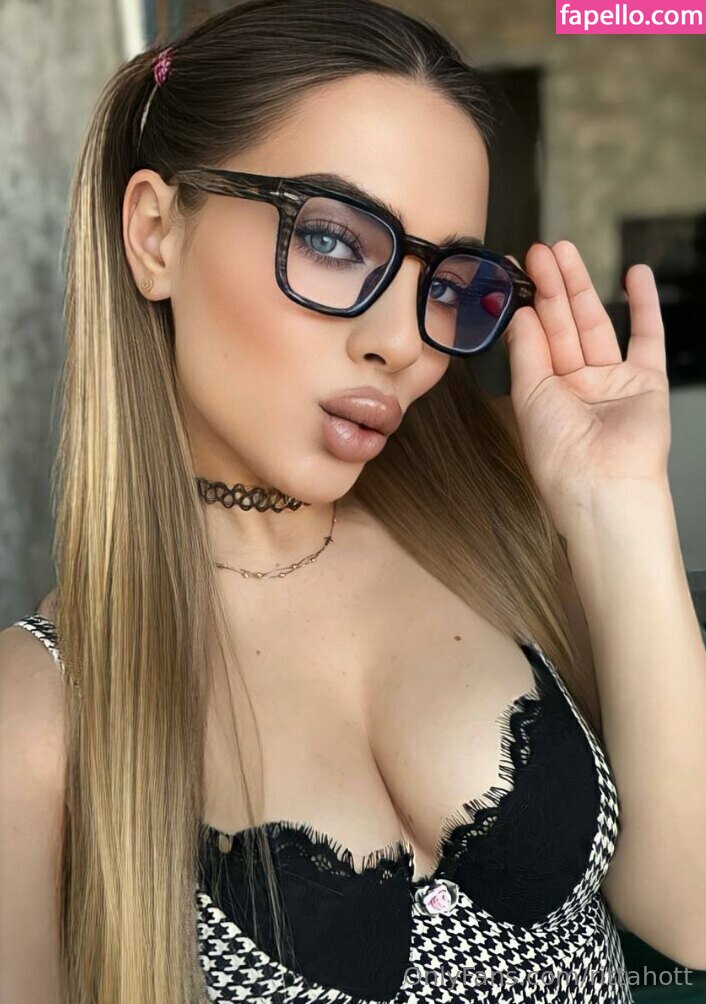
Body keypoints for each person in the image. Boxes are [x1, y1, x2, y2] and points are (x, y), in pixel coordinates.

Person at [3, 0, 704, 1002]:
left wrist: (619, 499)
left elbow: (691, 908)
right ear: (155, 233)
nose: (404, 343)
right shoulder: (43, 714)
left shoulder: (500, 531)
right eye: (334, 240)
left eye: (444, 282)